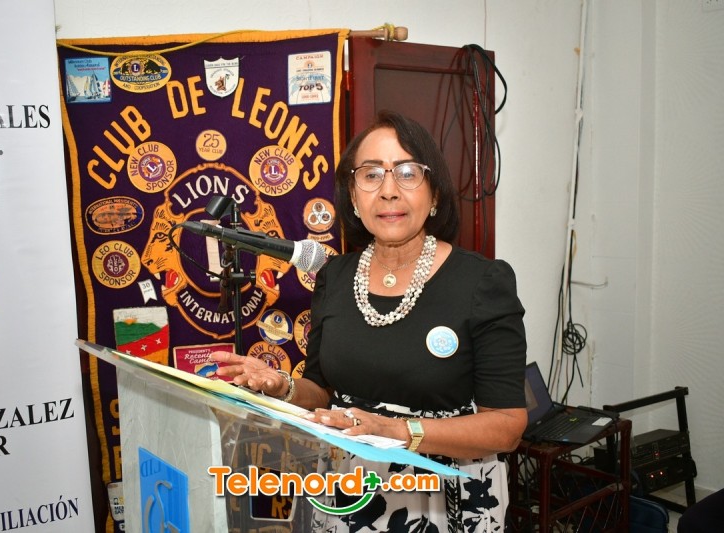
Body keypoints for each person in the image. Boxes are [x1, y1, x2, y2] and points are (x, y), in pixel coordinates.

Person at [211, 110, 527, 532]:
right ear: (353, 198)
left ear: (434, 194)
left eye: (407, 173)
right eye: (371, 174)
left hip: (443, 498)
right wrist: (282, 386)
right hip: (348, 494)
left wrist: (395, 430)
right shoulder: (335, 276)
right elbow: (322, 390)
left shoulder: (483, 282)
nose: (389, 191)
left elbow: (506, 426)